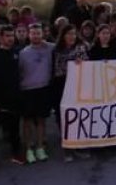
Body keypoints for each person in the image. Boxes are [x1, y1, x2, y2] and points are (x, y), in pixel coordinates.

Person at [51, 23, 89, 162]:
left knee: (77, 116)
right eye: (68, 34)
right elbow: (55, 69)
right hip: (60, 85)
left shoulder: (81, 47)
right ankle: (67, 148)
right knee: (64, 117)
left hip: (77, 86)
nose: (72, 36)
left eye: (73, 33)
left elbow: (88, 66)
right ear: (63, 36)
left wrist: (81, 63)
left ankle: (78, 146)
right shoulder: (56, 49)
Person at [0, 25, 24, 166]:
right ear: (1, 38)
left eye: (11, 36)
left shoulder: (16, 53)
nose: (10, 38)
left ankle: (16, 154)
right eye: (7, 36)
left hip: (14, 100)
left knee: (14, 130)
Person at [18, 23, 54, 162]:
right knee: (27, 122)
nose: (36, 36)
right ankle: (28, 149)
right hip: (27, 90)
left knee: (41, 120)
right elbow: (19, 72)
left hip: (43, 89)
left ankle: (40, 147)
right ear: (29, 35)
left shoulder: (51, 48)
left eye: (38, 33)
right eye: (33, 33)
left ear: (42, 34)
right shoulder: (23, 53)